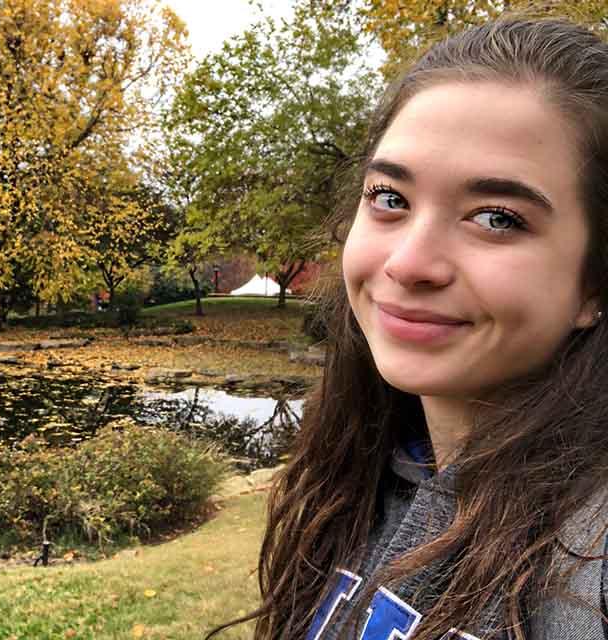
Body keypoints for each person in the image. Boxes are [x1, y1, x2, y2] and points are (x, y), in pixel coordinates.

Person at [213, 16, 608, 640]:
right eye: (391, 198)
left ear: (594, 283)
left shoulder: (589, 562)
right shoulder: (358, 477)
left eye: (497, 218)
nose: (409, 264)